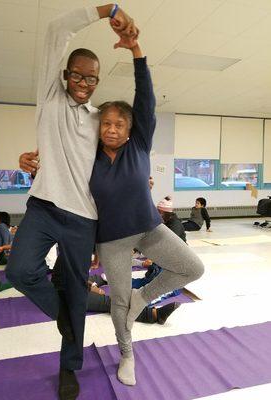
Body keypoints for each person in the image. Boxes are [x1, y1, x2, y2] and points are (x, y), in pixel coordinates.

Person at [6, 5, 138, 400]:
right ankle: (66, 319)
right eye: (78, 75)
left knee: (77, 290)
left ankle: (69, 367)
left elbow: (122, 152)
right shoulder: (49, 98)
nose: (84, 82)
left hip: (83, 220)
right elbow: (55, 30)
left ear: (97, 82)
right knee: (19, 270)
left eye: (91, 78)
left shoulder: (101, 120)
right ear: (65, 76)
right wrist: (108, 10)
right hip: (44, 207)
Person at [89, 39, 204, 386]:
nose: (111, 128)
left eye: (118, 124)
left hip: (149, 228)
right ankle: (127, 355)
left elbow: (146, 100)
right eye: (105, 123)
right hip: (111, 241)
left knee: (193, 267)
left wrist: (137, 53)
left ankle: (144, 298)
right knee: (119, 303)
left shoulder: (138, 145)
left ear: (128, 130)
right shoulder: (88, 155)